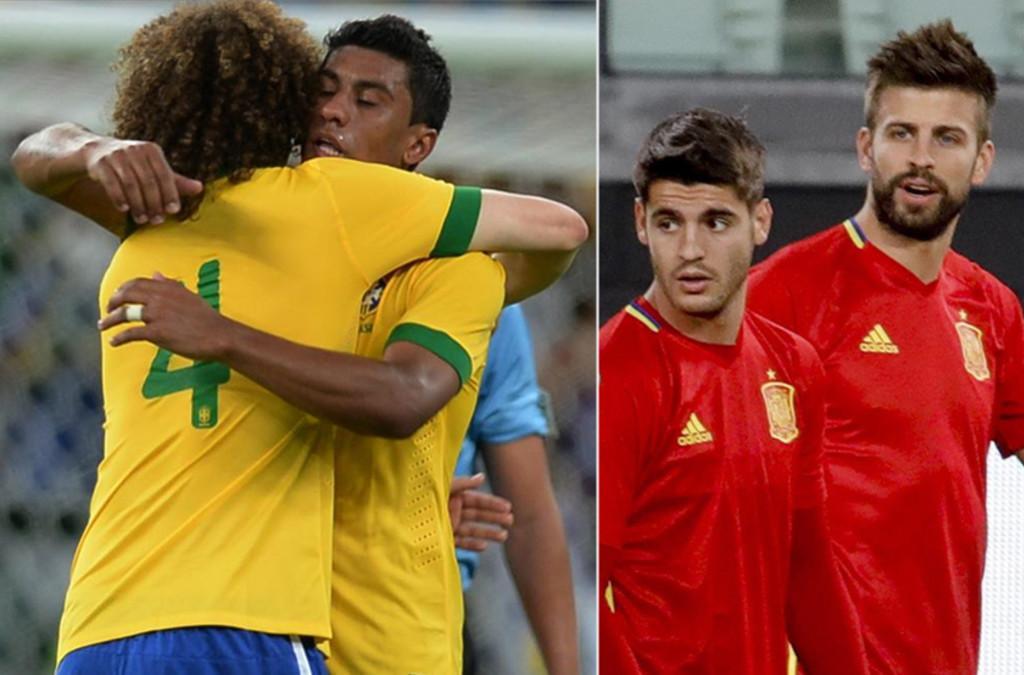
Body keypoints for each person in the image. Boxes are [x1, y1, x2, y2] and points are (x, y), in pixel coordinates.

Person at [10, 2, 587, 672]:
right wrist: (96, 148)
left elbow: (410, 398)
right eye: (320, 93)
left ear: (418, 145)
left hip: (370, 649)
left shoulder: (455, 269)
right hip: (259, 625)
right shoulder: (256, 213)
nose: (333, 113)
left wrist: (409, 494)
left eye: (368, 101)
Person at [747, 20, 1024, 674]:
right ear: (866, 148)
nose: (921, 159)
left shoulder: (988, 308)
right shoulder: (782, 297)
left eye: (947, 138)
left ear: (982, 159)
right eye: (902, 134)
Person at [598, 108, 867, 674]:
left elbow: (809, 568)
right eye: (670, 222)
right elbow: (587, 586)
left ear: (760, 222)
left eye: (716, 222)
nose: (690, 249)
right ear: (641, 223)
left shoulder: (794, 367)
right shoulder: (620, 372)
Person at [454, 303, 580, 675]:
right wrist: (400, 510)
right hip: (299, 605)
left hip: (431, 614)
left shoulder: (490, 304)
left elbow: (530, 515)